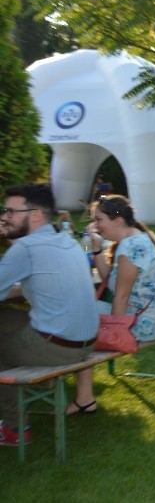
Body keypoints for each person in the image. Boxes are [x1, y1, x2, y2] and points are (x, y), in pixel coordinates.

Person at [0, 184, 99, 446]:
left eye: (10, 211)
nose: (4, 216)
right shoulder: (65, 239)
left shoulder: (26, 249)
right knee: (6, 318)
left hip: (57, 347)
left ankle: (14, 429)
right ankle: (40, 387)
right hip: (86, 343)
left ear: (34, 215)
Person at [66, 195, 155, 416]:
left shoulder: (130, 247)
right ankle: (82, 396)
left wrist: (113, 333)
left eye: (99, 220)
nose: (95, 226)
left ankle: (81, 396)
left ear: (118, 220)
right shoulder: (135, 240)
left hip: (143, 323)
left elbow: (120, 297)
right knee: (78, 319)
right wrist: (95, 249)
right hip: (153, 318)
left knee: (77, 326)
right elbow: (110, 282)